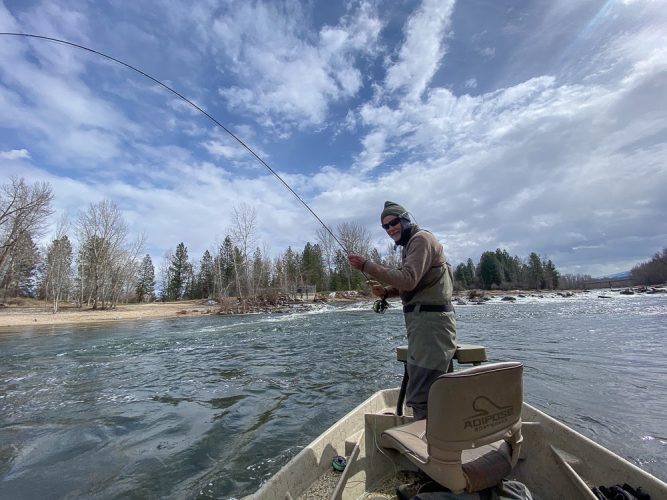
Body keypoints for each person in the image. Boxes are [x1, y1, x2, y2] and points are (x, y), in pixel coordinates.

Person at [348, 201, 457, 420]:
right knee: (437, 388)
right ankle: (443, 442)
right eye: (385, 227)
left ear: (405, 219)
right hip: (427, 326)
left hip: (431, 328)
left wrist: (366, 266)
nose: (390, 229)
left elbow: (408, 280)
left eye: (393, 222)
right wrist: (387, 292)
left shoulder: (421, 240)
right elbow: (416, 283)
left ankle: (433, 448)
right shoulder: (412, 243)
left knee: (421, 395)